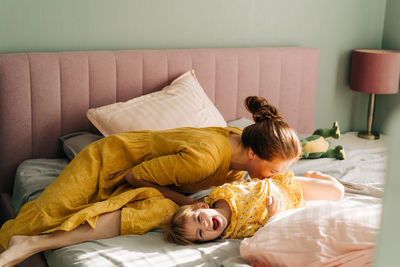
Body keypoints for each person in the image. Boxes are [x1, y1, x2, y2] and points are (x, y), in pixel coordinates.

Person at [0, 96, 301, 266]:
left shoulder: (241, 148)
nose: (275, 177)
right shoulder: (205, 158)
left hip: (152, 178)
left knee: (159, 212)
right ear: (252, 152)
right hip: (112, 162)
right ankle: (24, 240)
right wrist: (191, 202)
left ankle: (33, 245)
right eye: (274, 171)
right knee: (46, 215)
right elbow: (135, 175)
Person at [164, 171, 344, 244]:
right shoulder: (234, 232)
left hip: (286, 187)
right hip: (292, 207)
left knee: (338, 191)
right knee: (335, 198)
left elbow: (251, 180)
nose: (205, 226)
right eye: (201, 234)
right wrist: (274, 215)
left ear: (202, 206)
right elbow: (264, 232)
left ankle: (314, 175)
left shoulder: (219, 195)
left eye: (198, 219)